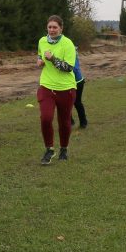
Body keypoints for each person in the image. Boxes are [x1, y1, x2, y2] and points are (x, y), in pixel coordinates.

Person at [36, 15, 78, 165]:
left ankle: (64, 148)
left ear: (61, 28)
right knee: (46, 118)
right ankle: (49, 149)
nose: (52, 30)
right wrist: (40, 62)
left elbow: (68, 68)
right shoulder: (42, 41)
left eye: (55, 27)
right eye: (50, 27)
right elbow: (40, 56)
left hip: (66, 88)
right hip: (46, 85)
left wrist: (53, 59)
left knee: (64, 121)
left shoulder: (68, 44)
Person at [71, 50, 88, 129]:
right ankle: (70, 122)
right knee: (64, 103)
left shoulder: (72, 53)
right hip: (64, 83)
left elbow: (74, 68)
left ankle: (83, 122)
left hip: (77, 82)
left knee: (77, 102)